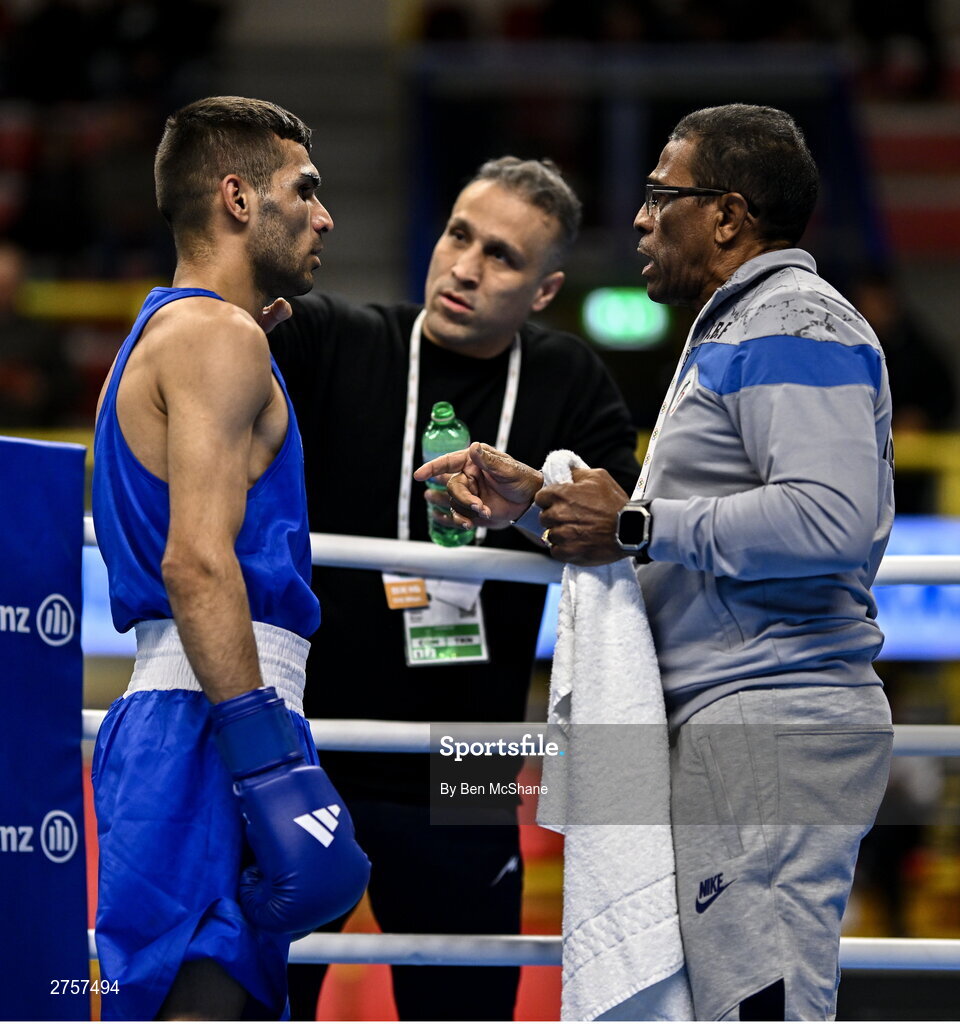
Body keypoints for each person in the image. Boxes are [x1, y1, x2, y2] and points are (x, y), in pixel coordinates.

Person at [420, 105, 895, 1021]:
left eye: (658, 196)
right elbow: (672, 549)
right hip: (740, 725)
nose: (638, 219)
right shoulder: (739, 327)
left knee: (764, 1007)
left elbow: (832, 520)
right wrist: (539, 510)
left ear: (726, 215)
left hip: (773, 722)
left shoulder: (796, 320)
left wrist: (635, 523)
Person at [268, 156, 639, 1021]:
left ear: (544, 291)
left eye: (502, 256)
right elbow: (212, 333)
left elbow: (625, 525)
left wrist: (531, 506)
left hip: (466, 764)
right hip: (310, 743)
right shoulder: (337, 337)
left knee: (466, 1011)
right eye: (459, 235)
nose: (466, 266)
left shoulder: (567, 379)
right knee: (265, 1001)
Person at [90, 96, 370, 1021]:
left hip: (196, 717)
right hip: (213, 728)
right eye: (306, 190)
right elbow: (196, 566)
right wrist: (268, 764)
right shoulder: (217, 338)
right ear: (239, 199)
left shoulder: (179, 333)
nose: (325, 216)